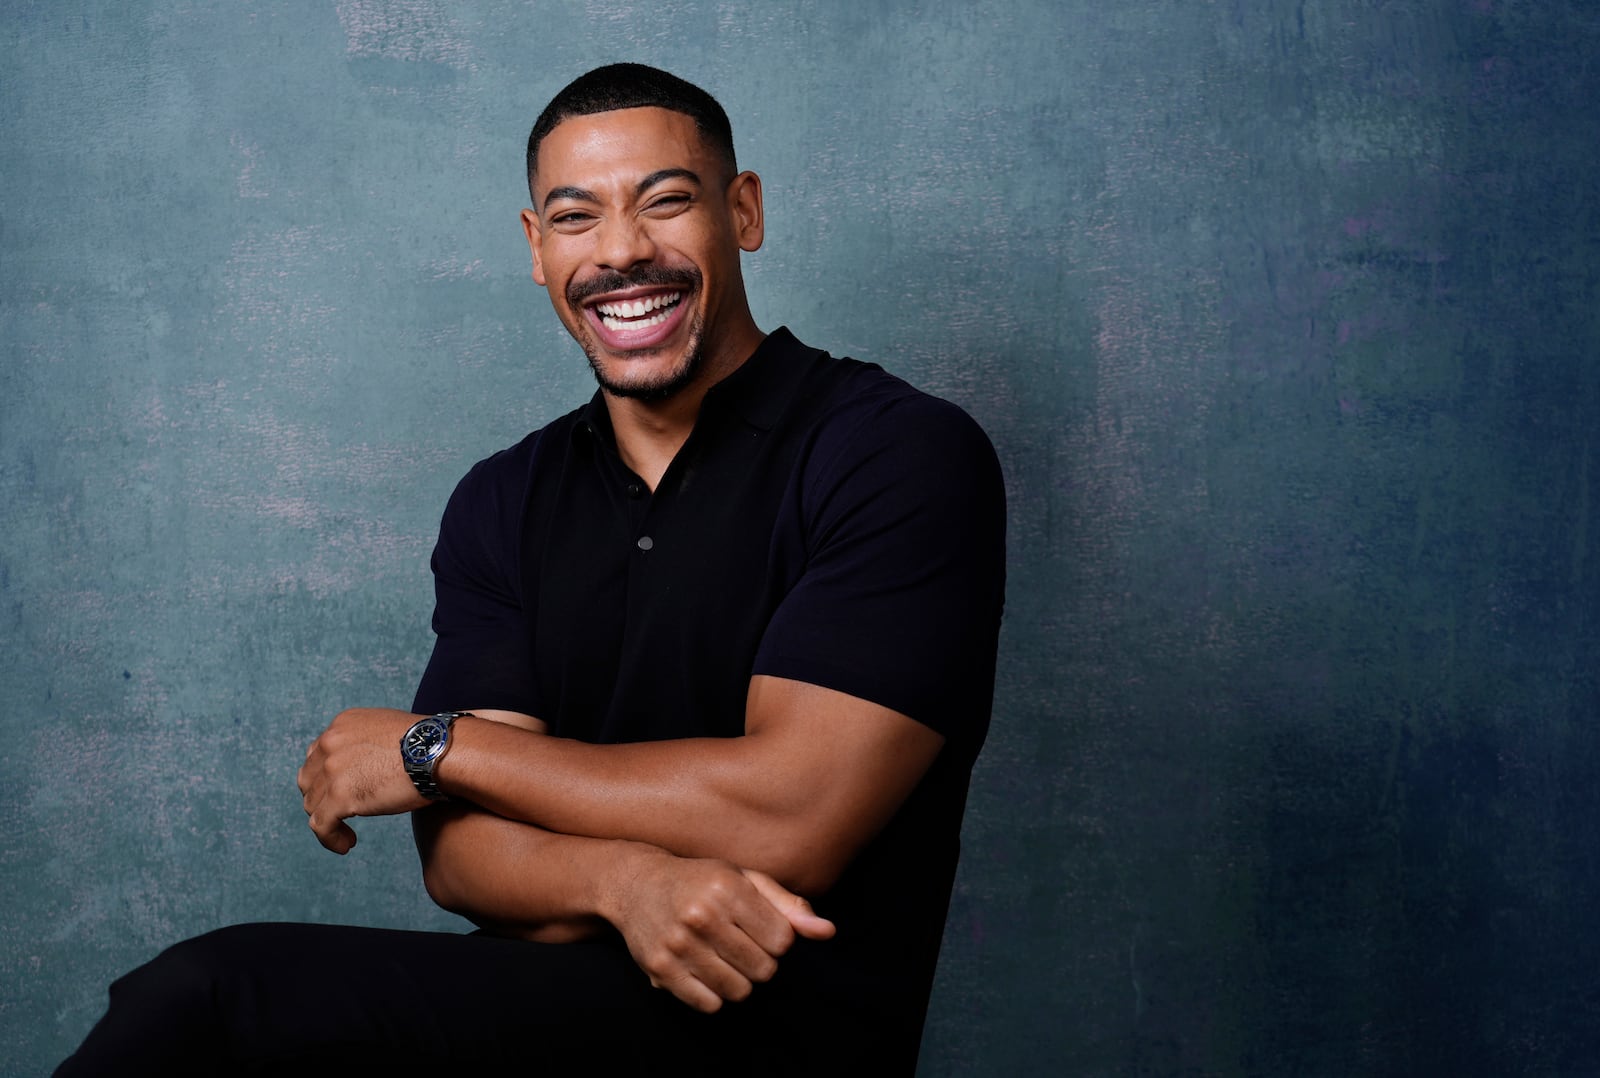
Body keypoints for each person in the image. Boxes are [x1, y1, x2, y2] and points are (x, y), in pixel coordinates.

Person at [56, 63, 1005, 1077]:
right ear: (536, 250)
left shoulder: (893, 452)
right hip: (542, 1012)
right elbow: (462, 857)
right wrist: (626, 882)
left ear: (744, 211)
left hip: (777, 1030)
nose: (622, 251)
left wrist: (431, 747)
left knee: (212, 1001)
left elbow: (787, 816)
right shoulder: (502, 499)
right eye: (575, 218)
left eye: (666, 201)